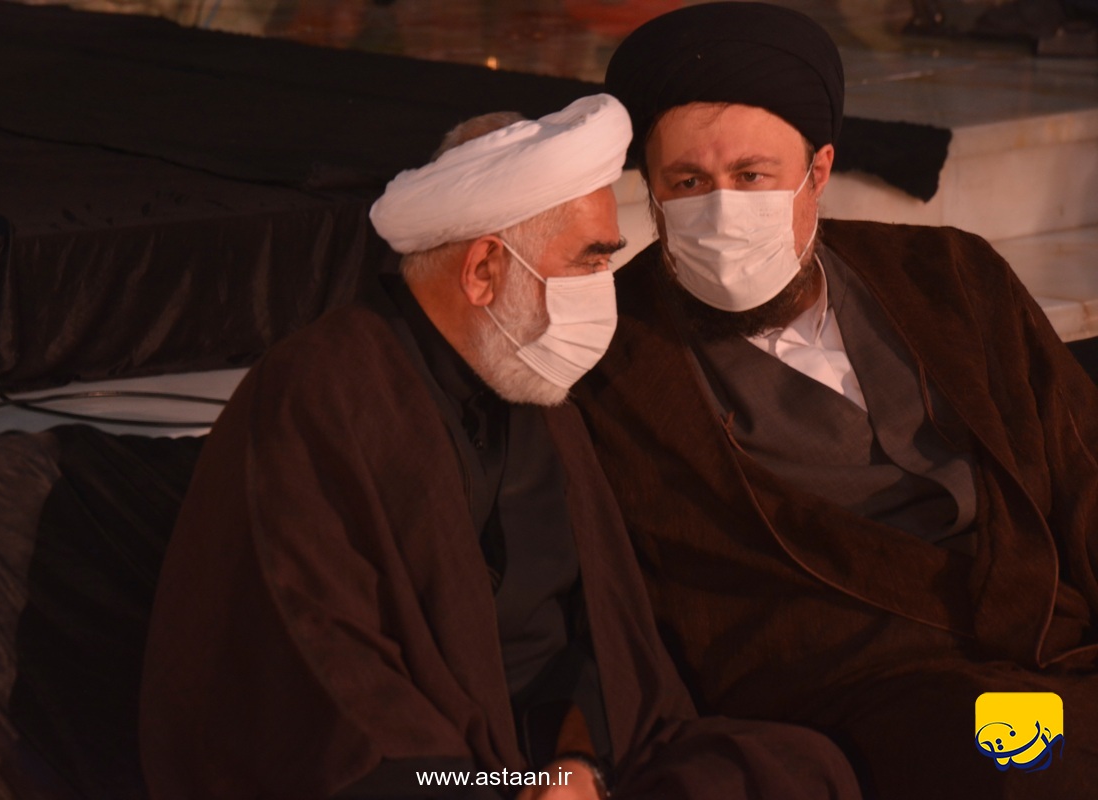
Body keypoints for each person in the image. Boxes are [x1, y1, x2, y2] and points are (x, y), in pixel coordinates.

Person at [138, 94, 860, 800]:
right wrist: (504, 783)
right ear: (484, 270)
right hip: (433, 776)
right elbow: (325, 679)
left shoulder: (529, 379)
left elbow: (589, 633)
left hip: (553, 764)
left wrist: (576, 765)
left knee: (795, 769)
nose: (603, 292)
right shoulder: (322, 391)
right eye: (588, 263)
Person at [572, 3, 1098, 798]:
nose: (721, 208)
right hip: (874, 684)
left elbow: (1084, 462)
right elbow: (593, 594)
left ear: (817, 172)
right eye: (687, 183)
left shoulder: (950, 275)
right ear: (651, 190)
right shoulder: (615, 365)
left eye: (752, 176)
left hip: (1051, 636)